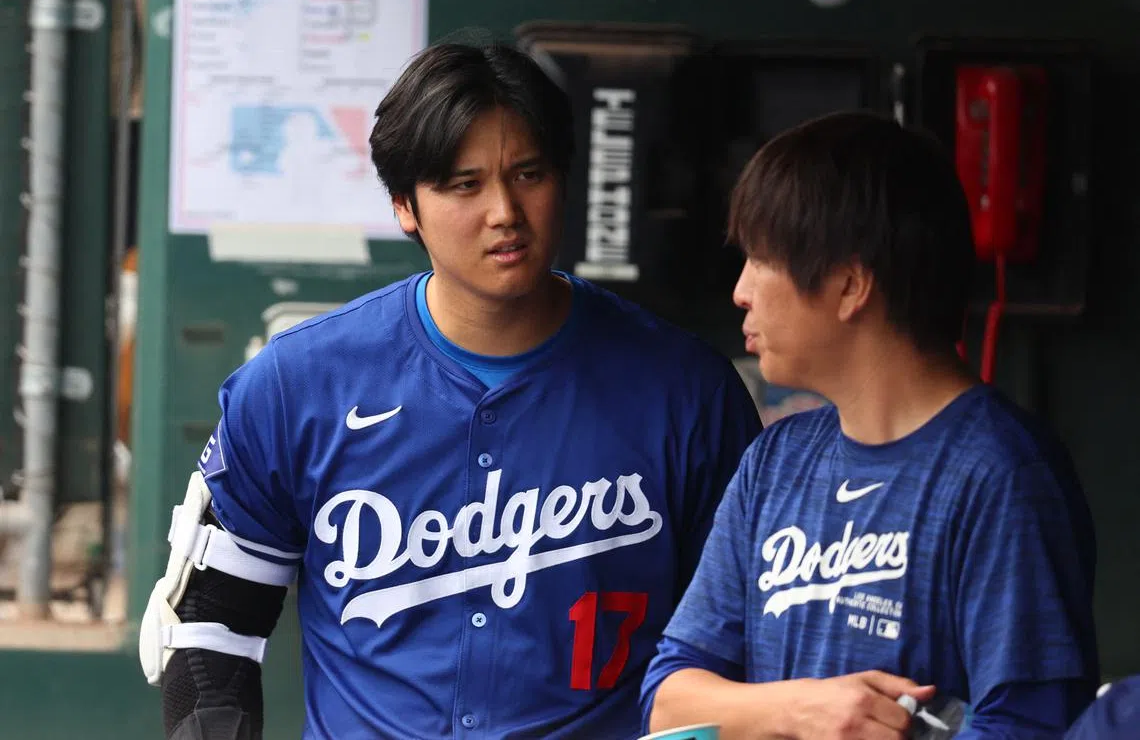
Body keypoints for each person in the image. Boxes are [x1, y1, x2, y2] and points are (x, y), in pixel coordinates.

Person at [137, 41, 762, 740]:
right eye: (464, 185)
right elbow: (209, 630)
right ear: (406, 206)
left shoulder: (687, 392)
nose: (504, 211)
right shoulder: (294, 385)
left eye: (528, 174)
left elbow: (741, 651)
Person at [640, 111, 1100, 739]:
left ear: (851, 285)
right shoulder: (775, 461)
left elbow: (1034, 725)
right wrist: (803, 711)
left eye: (761, 258)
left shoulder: (1004, 473)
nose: (740, 291)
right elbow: (669, 698)